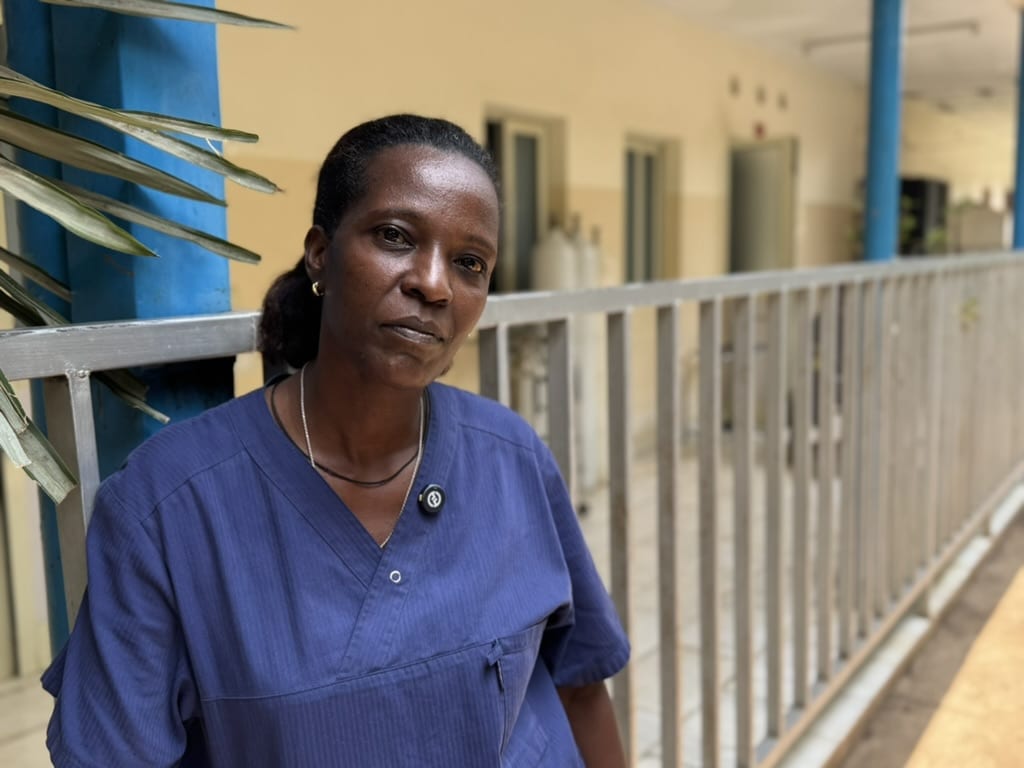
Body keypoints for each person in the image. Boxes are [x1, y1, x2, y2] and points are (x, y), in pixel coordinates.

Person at [42, 114, 630, 767]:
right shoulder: (169, 508)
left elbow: (581, 689)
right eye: (395, 236)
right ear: (321, 252)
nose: (434, 283)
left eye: (470, 263)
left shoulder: (511, 458)